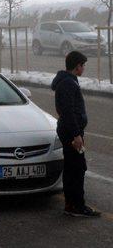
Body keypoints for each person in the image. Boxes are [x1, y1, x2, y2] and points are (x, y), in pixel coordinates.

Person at [51, 51, 100, 217]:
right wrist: (77, 135)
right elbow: (68, 112)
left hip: (70, 130)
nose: (84, 68)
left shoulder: (69, 81)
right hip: (71, 132)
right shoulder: (67, 84)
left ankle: (72, 205)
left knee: (73, 167)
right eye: (83, 65)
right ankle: (76, 206)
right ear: (77, 66)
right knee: (76, 169)